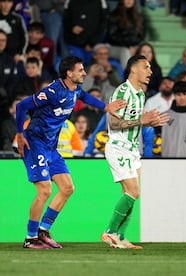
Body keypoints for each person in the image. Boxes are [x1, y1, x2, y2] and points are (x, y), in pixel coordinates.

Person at [15, 55, 127, 249]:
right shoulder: (52, 91)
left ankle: (43, 231)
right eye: (81, 69)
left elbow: (83, 96)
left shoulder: (75, 89)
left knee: (67, 188)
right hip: (35, 143)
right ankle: (30, 238)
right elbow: (21, 106)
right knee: (45, 190)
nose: (84, 72)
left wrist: (105, 107)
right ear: (69, 73)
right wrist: (19, 133)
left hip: (51, 147)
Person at [101, 54, 169, 249]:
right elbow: (113, 122)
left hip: (131, 150)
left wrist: (151, 122)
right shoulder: (122, 92)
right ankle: (110, 232)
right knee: (133, 192)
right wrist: (142, 120)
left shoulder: (140, 94)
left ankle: (120, 237)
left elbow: (136, 121)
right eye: (146, 67)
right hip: (118, 147)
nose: (150, 71)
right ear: (134, 69)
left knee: (130, 194)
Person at [107, 0, 145, 68]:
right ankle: (128, 76)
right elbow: (112, 37)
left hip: (133, 46)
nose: (129, 1)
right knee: (125, 52)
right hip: (117, 46)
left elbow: (141, 35)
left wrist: (133, 46)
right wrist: (128, 46)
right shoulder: (114, 16)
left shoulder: (139, 16)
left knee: (145, 50)